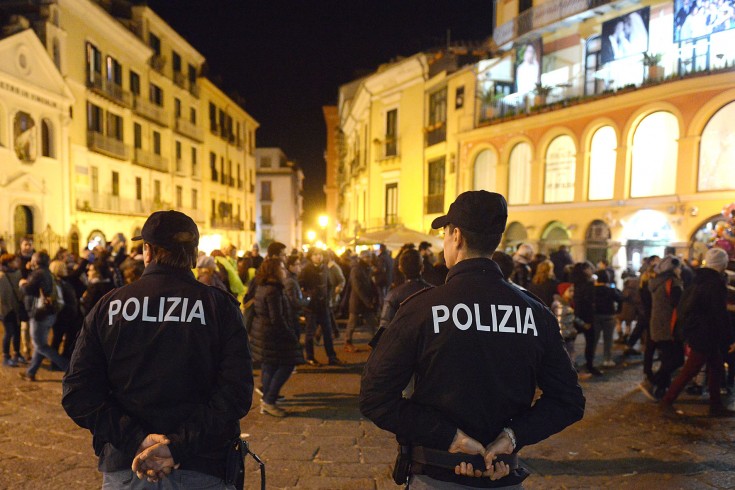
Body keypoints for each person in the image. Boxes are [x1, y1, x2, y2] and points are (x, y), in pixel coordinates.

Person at [360, 191, 585, 489]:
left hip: (436, 474)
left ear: (457, 236)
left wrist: (450, 437)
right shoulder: (534, 312)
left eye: (445, 233)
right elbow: (568, 400)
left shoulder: (421, 309)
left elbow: (375, 397)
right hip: (502, 475)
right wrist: (512, 437)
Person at [62, 210, 253, 488]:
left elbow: (78, 393)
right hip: (202, 466)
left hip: (127, 465)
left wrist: (137, 440)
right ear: (193, 254)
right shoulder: (219, 307)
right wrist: (175, 447)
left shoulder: (109, 306)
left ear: (147, 251)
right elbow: (235, 394)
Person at [660, 247, 735, 417]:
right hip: (705, 333)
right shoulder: (714, 283)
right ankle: (666, 401)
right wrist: (729, 338)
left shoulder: (699, 279)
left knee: (716, 367)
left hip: (700, 331)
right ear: (721, 264)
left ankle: (715, 405)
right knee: (690, 369)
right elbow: (719, 313)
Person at [249, 258, 304, 417]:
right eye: (281, 268)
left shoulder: (263, 286)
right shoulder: (273, 290)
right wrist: (290, 335)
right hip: (273, 334)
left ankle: (267, 398)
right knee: (287, 364)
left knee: (269, 365)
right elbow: (277, 318)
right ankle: (269, 400)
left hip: (264, 332)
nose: (284, 270)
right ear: (273, 271)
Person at [19, 251, 69, 381]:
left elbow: (28, 289)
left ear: (36, 261)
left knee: (40, 345)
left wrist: (22, 283)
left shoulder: (39, 274)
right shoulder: (47, 273)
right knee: (39, 344)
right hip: (49, 312)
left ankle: (69, 368)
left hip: (40, 313)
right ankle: (31, 372)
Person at [300, 248, 343, 366]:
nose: (318, 257)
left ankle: (332, 357)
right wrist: (308, 297)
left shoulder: (325, 268)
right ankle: (310, 357)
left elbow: (329, 284)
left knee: (328, 332)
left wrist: (328, 297)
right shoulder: (306, 269)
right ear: (311, 256)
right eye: (315, 255)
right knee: (310, 333)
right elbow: (301, 285)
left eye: (320, 254)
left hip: (324, 305)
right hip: (311, 307)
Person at [344, 250, 379, 352]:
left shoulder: (366, 268)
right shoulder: (356, 269)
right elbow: (357, 288)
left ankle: (375, 342)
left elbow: (370, 283)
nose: (369, 259)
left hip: (366, 301)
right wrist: (367, 301)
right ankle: (348, 342)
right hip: (358, 302)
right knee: (352, 323)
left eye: (369, 257)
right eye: (367, 257)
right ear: (362, 258)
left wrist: (374, 296)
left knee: (372, 322)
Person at [0, 254, 24, 366]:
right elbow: (3, 296)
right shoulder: (1, 276)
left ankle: (17, 353)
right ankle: (6, 356)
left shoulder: (18, 273)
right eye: (15, 261)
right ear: (9, 262)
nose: (17, 262)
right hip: (5, 310)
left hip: (16, 308)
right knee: (9, 332)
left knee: (17, 332)